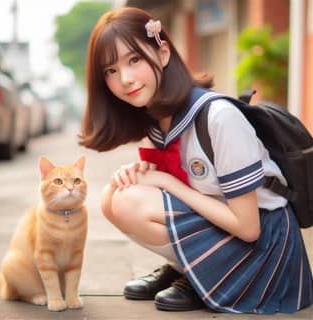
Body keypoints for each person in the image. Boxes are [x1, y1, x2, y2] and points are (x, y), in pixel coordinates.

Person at [79, 6, 313, 314]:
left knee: (128, 201)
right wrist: (144, 172)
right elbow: (194, 185)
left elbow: (248, 228)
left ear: (162, 53)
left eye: (134, 59)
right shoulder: (157, 118)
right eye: (110, 70)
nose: (124, 78)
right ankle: (187, 268)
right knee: (115, 194)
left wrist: (163, 182)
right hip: (229, 231)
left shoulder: (218, 117)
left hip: (267, 252)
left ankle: (198, 272)